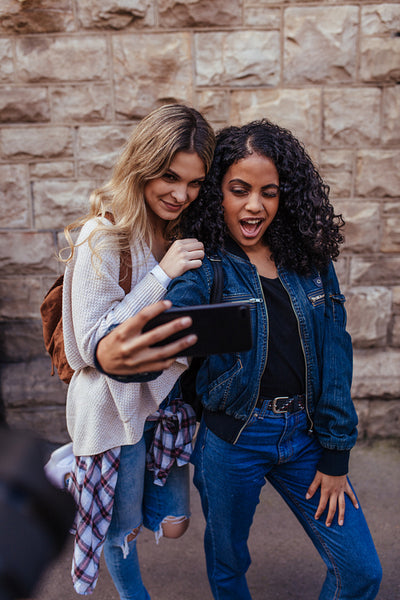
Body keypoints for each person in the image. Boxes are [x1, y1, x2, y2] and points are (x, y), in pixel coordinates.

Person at [159, 120, 381, 599]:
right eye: (239, 190)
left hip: (305, 439)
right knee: (228, 564)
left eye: (269, 192)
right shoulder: (204, 263)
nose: (254, 205)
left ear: (287, 196)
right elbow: (168, 318)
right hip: (232, 437)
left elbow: (336, 356)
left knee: (360, 572)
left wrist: (336, 452)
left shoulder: (311, 262)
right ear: (217, 193)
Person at [58, 103, 216, 599]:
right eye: (170, 177)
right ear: (143, 166)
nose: (181, 194)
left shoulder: (180, 228)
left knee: (173, 523)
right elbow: (90, 344)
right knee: (121, 529)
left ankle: (76, 473)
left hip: (165, 404)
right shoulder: (102, 237)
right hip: (111, 411)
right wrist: (164, 274)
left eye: (194, 183)